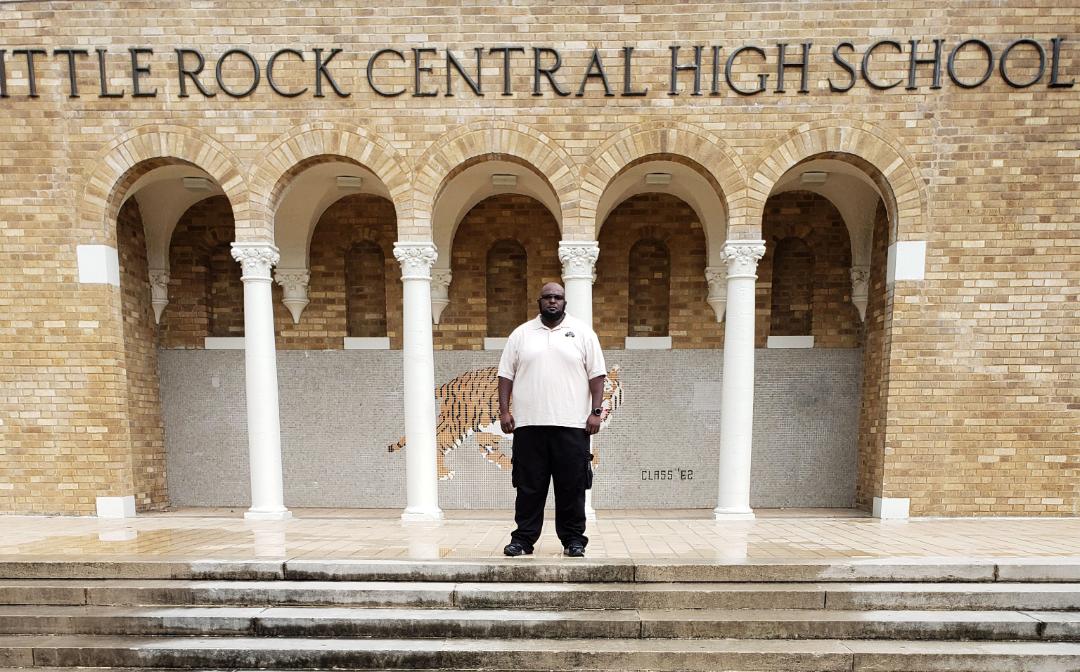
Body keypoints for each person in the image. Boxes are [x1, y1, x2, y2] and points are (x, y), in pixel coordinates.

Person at [497, 282, 607, 558]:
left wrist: (596, 413)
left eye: (557, 297)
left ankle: (574, 540)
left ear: (564, 302)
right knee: (528, 486)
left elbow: (597, 375)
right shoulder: (522, 334)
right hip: (529, 425)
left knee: (572, 486)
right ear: (539, 301)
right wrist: (504, 410)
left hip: (572, 426)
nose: (553, 302)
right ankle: (522, 540)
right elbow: (505, 375)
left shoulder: (582, 333)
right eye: (547, 297)